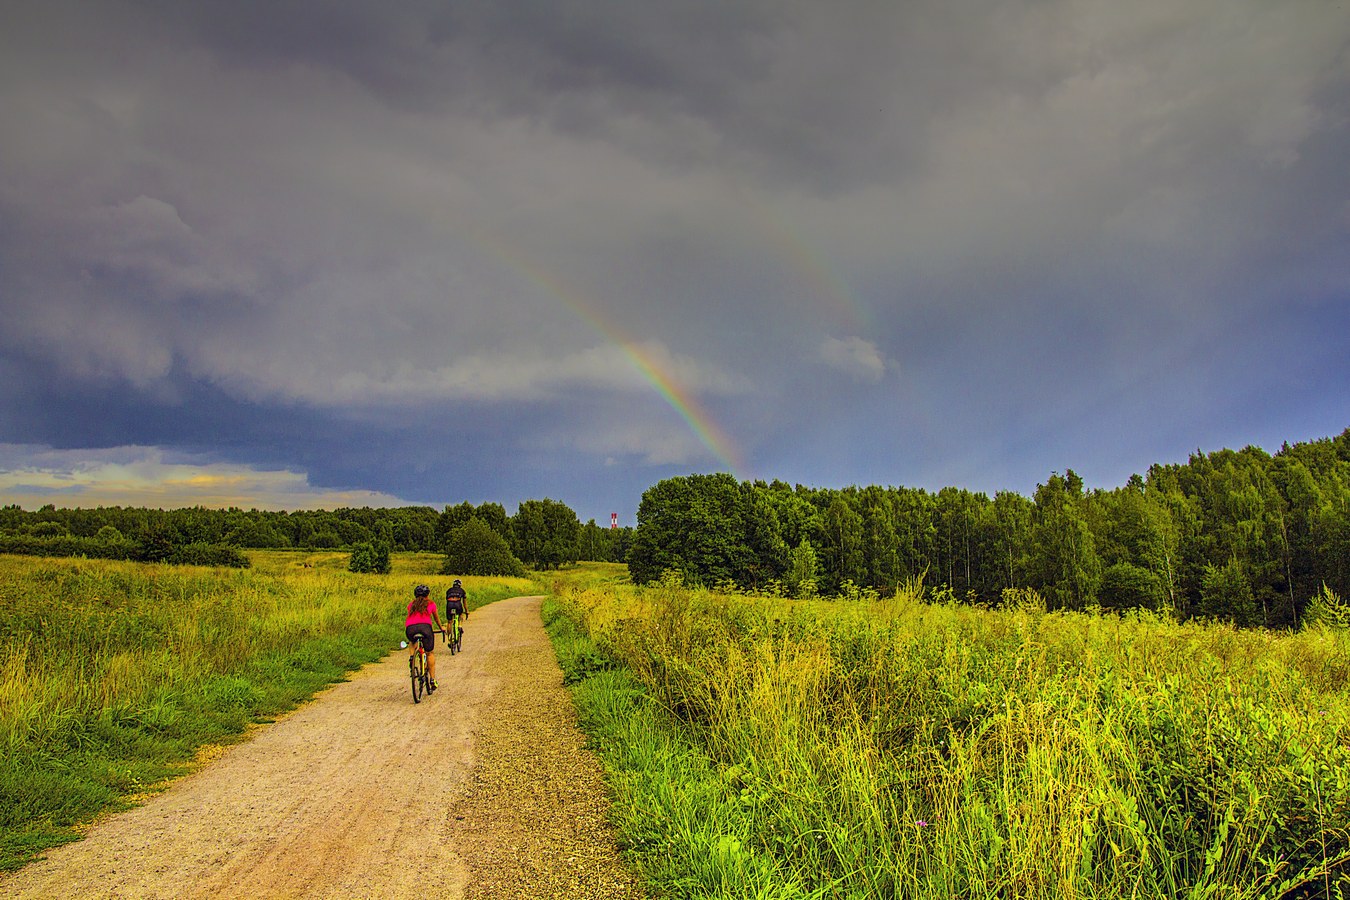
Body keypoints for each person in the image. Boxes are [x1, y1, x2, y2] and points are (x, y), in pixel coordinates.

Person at [405, 583, 446, 692]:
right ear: (427, 594)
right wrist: (441, 627)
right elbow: (436, 619)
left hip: (410, 628)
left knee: (412, 641)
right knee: (429, 653)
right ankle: (432, 679)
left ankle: (412, 657)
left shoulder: (411, 604)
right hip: (425, 628)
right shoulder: (431, 603)